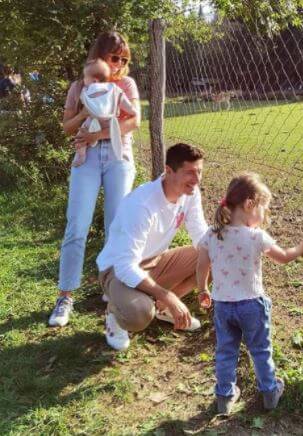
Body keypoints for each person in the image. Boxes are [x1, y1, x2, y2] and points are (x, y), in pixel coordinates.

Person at [196, 172, 303, 414]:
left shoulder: (212, 234)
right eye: (263, 209)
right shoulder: (256, 236)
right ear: (249, 204)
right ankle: (269, 391)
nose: (264, 216)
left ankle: (224, 397)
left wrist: (203, 289)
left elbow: (202, 265)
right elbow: (284, 257)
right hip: (251, 304)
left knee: (225, 351)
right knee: (261, 350)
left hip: (222, 305)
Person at [49, 31, 140, 327]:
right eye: (114, 57)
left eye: (123, 59)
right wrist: (85, 113)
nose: (119, 64)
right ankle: (65, 296)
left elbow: (134, 120)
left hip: (117, 157)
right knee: (77, 225)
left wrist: (97, 134)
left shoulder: (124, 85)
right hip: (85, 160)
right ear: (99, 55)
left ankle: (113, 292)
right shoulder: (79, 86)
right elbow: (66, 126)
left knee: (117, 225)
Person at [97, 143, 208, 351]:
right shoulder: (141, 205)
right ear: (168, 171)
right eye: (189, 172)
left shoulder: (191, 193)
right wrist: (166, 294)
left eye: (199, 171)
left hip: (155, 260)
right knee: (138, 314)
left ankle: (163, 309)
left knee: (214, 255)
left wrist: (232, 242)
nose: (196, 179)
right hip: (117, 270)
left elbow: (200, 235)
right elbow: (125, 266)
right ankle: (114, 313)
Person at [72, 59, 137, 167]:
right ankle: (122, 154)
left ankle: (81, 156)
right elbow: (123, 101)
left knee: (80, 137)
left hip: (93, 121)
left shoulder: (86, 91)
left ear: (94, 81)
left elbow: (83, 105)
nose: (84, 80)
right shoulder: (114, 88)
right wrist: (132, 110)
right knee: (117, 135)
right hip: (111, 121)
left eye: (85, 77)